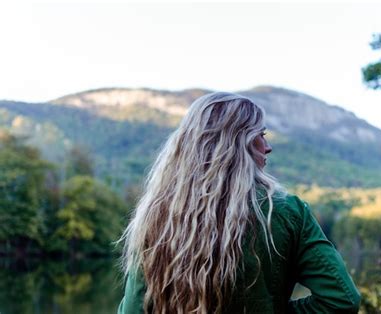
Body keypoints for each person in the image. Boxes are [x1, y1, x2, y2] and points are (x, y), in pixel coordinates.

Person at [117, 92, 361, 313]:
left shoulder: (158, 215)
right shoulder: (286, 211)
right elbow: (341, 300)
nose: (268, 147)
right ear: (236, 144)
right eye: (260, 135)